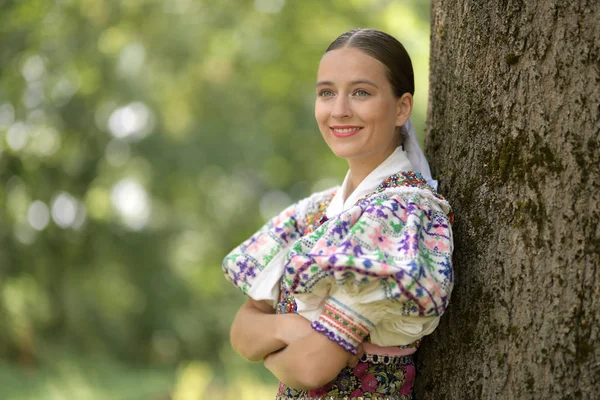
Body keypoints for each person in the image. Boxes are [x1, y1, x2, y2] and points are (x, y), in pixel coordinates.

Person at [222, 28, 454, 400]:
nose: (339, 109)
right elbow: (241, 331)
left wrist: (271, 351)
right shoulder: (314, 213)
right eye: (327, 92)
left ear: (401, 108)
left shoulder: (401, 216)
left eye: (361, 92)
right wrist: (292, 329)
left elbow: (310, 367)